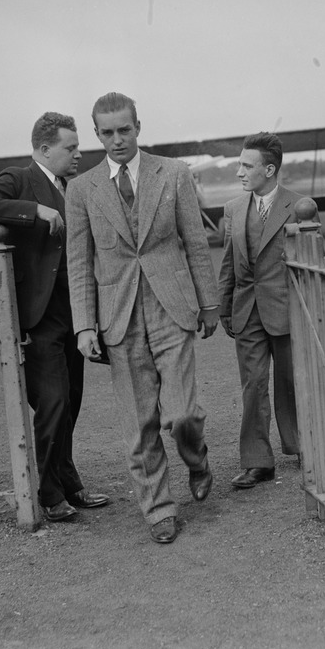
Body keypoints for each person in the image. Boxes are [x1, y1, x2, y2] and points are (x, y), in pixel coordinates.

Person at [65, 93, 218, 544]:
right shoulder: (82, 189)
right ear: (96, 135)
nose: (117, 140)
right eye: (107, 132)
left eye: (124, 130)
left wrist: (208, 305)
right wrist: (84, 325)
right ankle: (159, 510)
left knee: (183, 412)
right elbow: (79, 261)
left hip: (172, 305)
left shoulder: (172, 174)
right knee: (139, 422)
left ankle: (197, 458)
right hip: (118, 315)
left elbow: (195, 242)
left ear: (138, 127)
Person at [0, 112, 109, 522]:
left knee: (72, 402)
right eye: (71, 147)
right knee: (54, 401)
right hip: (38, 316)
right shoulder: (20, 178)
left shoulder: (76, 187)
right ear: (45, 149)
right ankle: (48, 492)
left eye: (79, 147)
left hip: (74, 312)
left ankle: (67, 480)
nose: (79, 154)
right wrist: (36, 211)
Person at [218, 132, 301, 488]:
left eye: (247, 166)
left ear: (269, 169)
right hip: (246, 310)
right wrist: (224, 307)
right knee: (253, 384)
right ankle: (257, 462)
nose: (239, 172)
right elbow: (228, 262)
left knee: (289, 382)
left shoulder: (300, 206)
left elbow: (311, 265)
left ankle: (302, 446)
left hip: (287, 311)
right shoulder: (234, 209)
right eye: (239, 164)